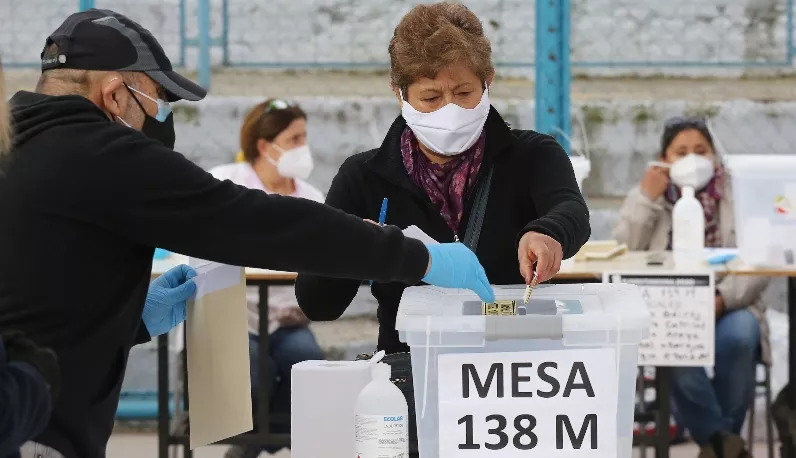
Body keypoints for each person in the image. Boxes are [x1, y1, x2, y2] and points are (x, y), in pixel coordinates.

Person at [0, 9, 494, 458]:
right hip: (35, 429)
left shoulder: (17, 146)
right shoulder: (103, 156)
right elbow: (264, 223)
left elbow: (40, 289)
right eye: (157, 102)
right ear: (113, 93)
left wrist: (133, 321)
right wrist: (417, 257)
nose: (160, 119)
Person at [295, 3, 590, 453]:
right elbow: (318, 300)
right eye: (431, 98)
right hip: (409, 387)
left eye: (465, 92)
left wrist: (548, 232)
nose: (449, 110)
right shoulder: (364, 177)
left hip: (515, 386)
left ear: (487, 82)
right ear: (400, 93)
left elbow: (571, 209)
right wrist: (358, 243)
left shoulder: (533, 156)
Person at [612, 116, 769, 458]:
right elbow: (623, 251)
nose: (692, 159)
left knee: (740, 338)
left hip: (731, 306)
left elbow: (758, 261)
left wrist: (720, 299)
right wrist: (645, 199)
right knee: (676, 349)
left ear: (715, 156)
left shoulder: (736, 193)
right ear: (663, 159)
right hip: (671, 308)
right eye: (680, 152)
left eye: (701, 150)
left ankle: (718, 445)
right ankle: (723, 443)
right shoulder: (649, 196)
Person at [209, 99, 325, 458]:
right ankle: (249, 446)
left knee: (307, 364)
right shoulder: (226, 183)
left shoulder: (311, 197)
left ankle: (254, 447)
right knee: (252, 370)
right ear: (264, 146)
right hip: (233, 316)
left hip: (287, 318)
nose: (302, 148)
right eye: (294, 139)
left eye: (304, 137)